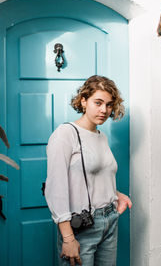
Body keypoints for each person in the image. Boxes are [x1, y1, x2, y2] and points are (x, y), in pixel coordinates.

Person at [45, 75, 132, 266]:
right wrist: (68, 238)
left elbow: (93, 176)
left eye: (109, 105)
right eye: (98, 102)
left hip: (110, 220)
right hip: (81, 226)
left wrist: (117, 195)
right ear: (83, 101)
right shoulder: (65, 134)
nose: (104, 110)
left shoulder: (101, 136)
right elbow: (56, 187)